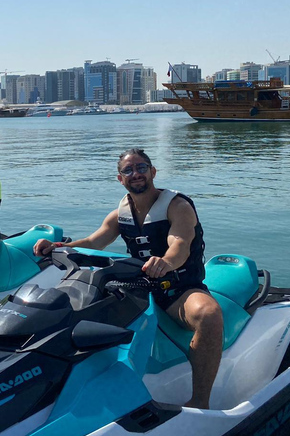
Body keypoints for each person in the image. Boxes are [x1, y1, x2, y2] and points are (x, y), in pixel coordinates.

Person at [33, 148, 223, 409]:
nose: (136, 174)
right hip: (138, 289)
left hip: (179, 289)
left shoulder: (177, 206)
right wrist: (57, 247)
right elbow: (93, 241)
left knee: (209, 314)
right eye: (128, 170)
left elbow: (180, 245)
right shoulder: (120, 214)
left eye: (142, 167)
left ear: (153, 172)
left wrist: (165, 262)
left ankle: (201, 402)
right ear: (120, 179)